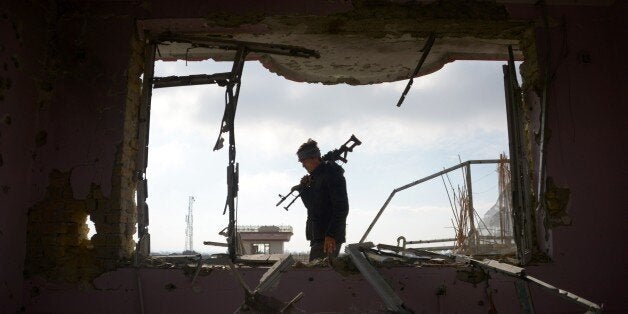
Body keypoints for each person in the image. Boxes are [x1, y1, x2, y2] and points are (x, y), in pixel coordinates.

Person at [296, 139, 349, 261]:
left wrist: (331, 234)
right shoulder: (317, 178)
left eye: (303, 160)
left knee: (317, 276)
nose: (302, 165)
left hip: (328, 238)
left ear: (314, 158)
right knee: (316, 275)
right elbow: (312, 207)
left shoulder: (331, 173)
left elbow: (341, 207)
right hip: (319, 237)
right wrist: (304, 189)